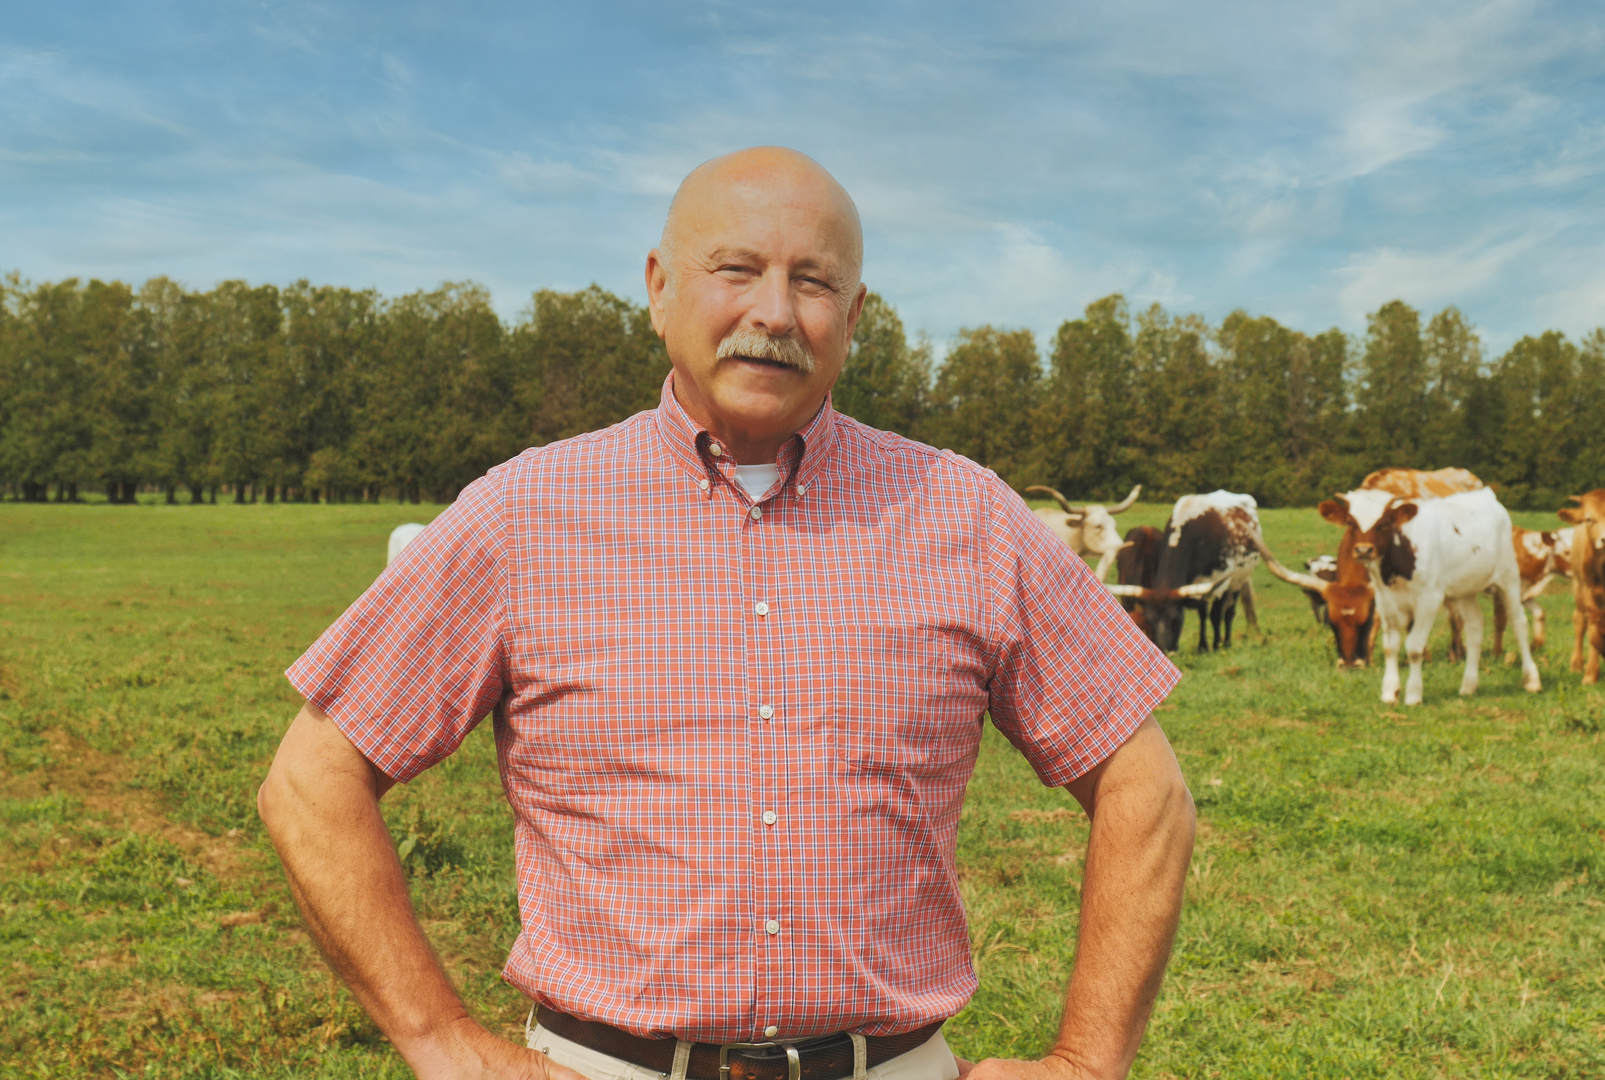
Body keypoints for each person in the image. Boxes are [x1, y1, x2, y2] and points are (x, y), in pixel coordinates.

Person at [259, 146, 1194, 1080]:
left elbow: (1144, 790)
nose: (774, 312)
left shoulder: (969, 515)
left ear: (855, 316)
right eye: (737, 269)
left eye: (815, 281)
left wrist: (1087, 1061)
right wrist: (441, 1041)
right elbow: (311, 783)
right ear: (661, 289)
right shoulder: (525, 515)